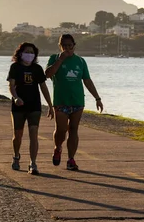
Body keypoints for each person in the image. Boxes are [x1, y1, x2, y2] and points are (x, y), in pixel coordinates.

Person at [45, 34, 104, 171]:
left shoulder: (80, 61)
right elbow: (47, 74)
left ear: (74, 45)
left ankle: (71, 159)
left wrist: (97, 98)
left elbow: (87, 81)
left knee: (73, 130)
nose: (67, 48)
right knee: (61, 130)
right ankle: (58, 147)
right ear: (60, 46)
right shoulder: (54, 58)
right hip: (61, 101)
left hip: (77, 101)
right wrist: (60, 60)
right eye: (64, 46)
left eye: (69, 46)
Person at [7, 42, 54, 175]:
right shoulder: (15, 67)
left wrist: (50, 105)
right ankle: (16, 156)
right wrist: (16, 97)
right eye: (27, 52)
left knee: (34, 134)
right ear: (21, 53)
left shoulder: (37, 69)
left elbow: (43, 87)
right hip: (18, 106)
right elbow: (11, 85)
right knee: (18, 134)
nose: (29, 54)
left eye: (32, 52)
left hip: (34, 106)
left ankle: (33, 163)